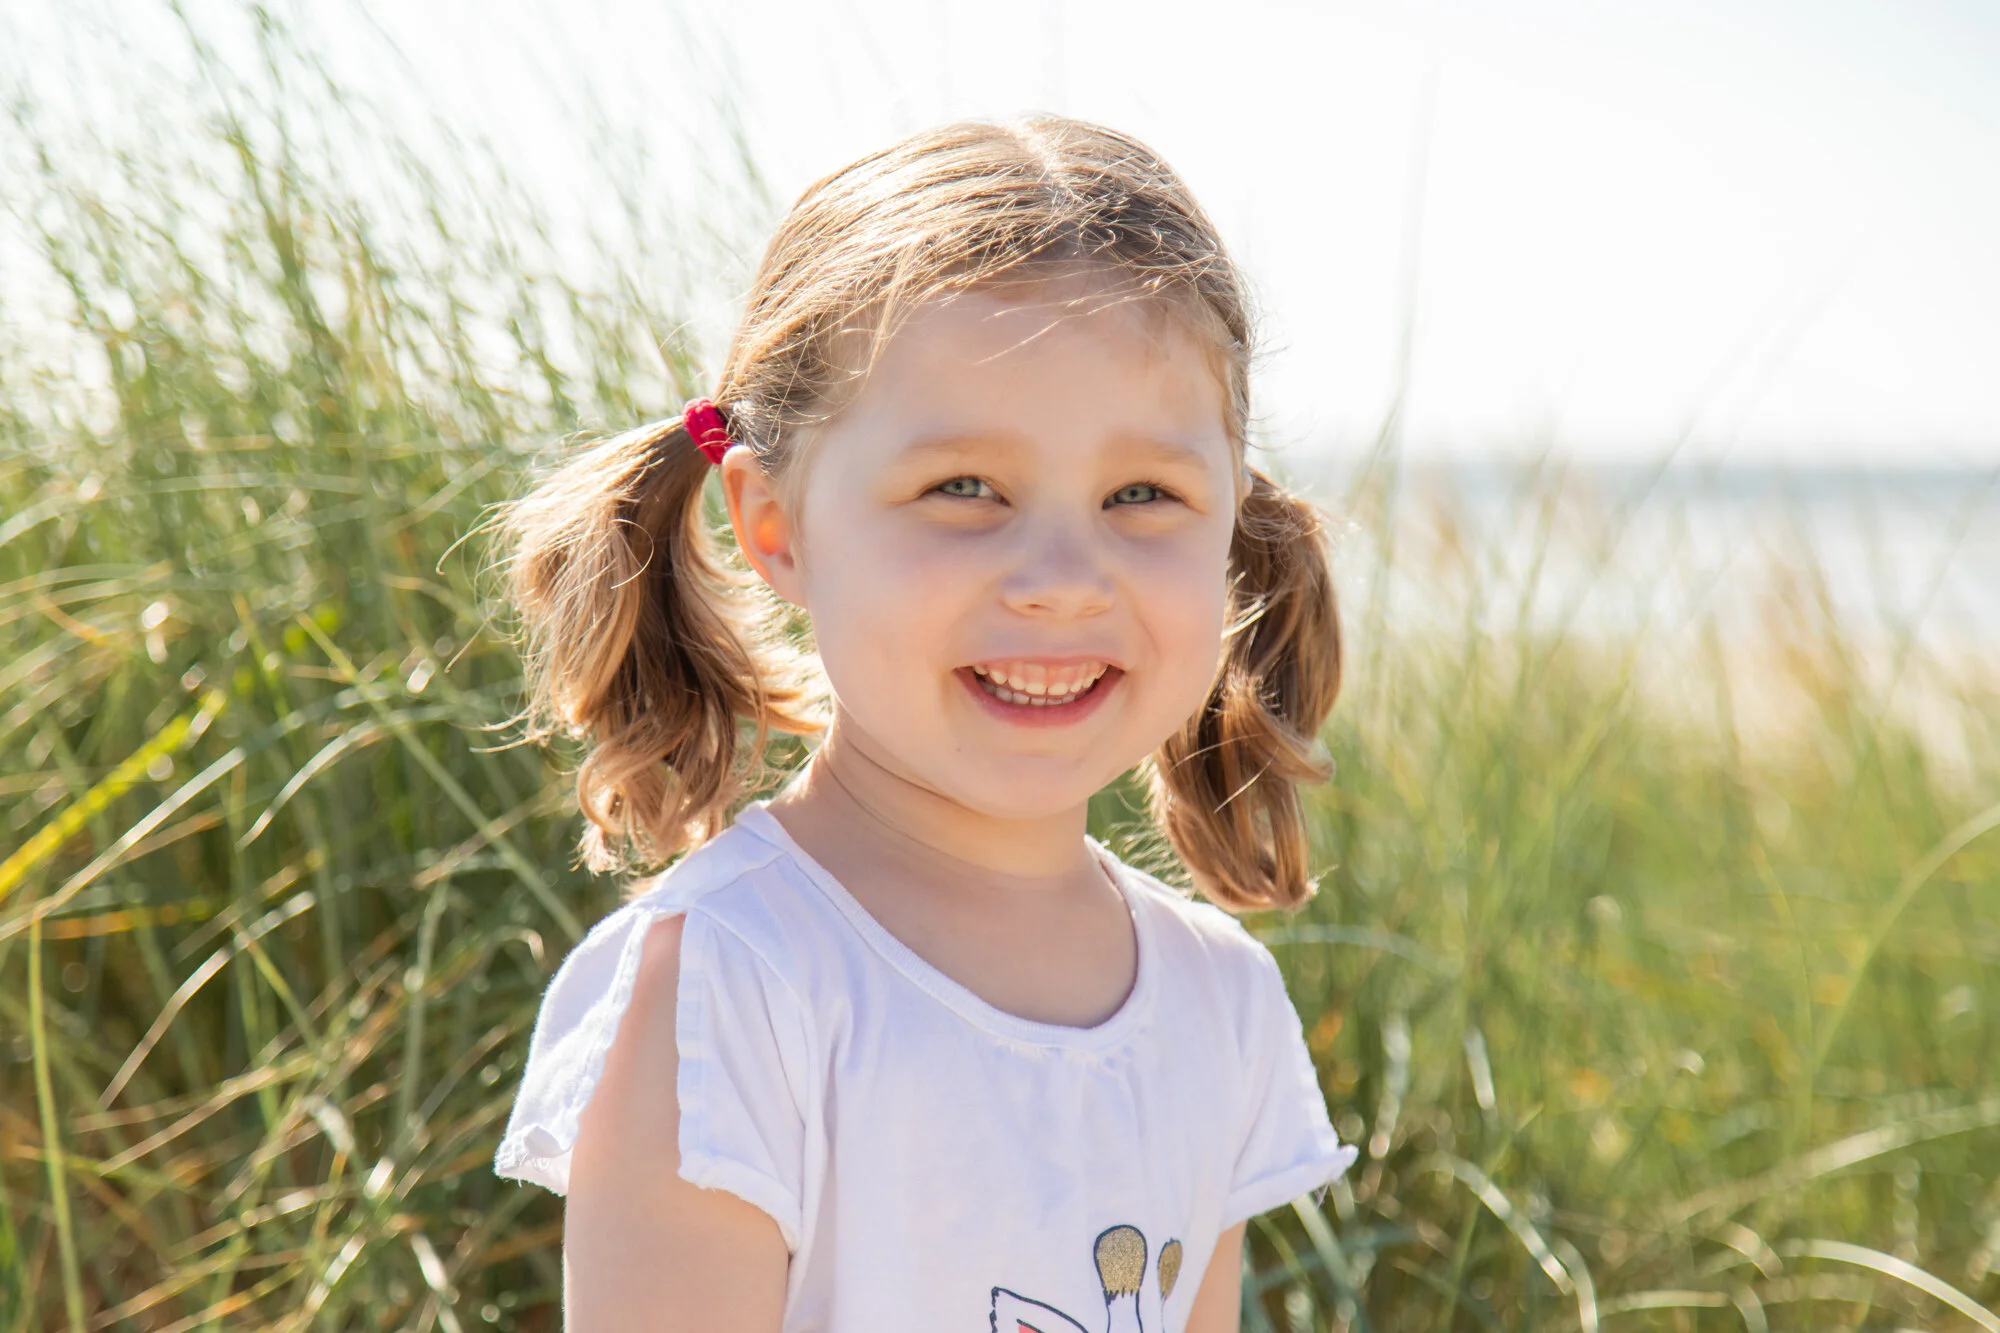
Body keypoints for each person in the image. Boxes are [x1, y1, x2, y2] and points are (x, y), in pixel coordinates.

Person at [489, 113, 1358, 1333]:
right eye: (963, 488)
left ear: (1229, 524)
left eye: (1141, 495)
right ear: (774, 524)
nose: (1060, 574)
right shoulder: (733, 983)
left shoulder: (1216, 1002)